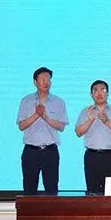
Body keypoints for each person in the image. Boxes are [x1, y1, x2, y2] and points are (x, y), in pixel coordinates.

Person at [16, 67, 69, 195]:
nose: (46, 82)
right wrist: (36, 115)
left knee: (52, 189)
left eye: (49, 79)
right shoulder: (26, 100)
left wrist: (45, 117)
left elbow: (61, 127)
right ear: (35, 82)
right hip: (31, 151)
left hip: (50, 151)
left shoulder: (58, 101)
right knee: (29, 189)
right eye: (43, 79)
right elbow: (21, 126)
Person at [75, 80, 111, 194]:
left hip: (109, 156)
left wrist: (106, 121)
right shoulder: (86, 111)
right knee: (92, 192)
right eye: (95, 90)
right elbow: (78, 132)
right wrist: (90, 120)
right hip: (91, 156)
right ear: (91, 94)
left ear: (107, 93)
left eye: (102, 90)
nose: (99, 93)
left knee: (109, 192)